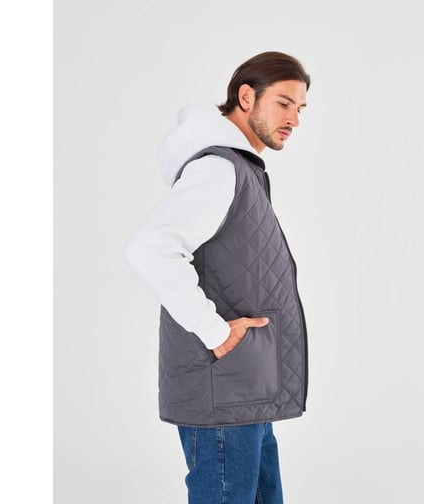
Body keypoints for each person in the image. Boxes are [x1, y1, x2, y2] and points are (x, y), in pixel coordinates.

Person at [125, 51, 310, 504]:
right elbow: (150, 249)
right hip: (225, 385)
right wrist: (216, 333)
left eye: (300, 108)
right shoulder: (219, 169)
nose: (294, 119)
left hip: (245, 384)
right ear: (246, 97)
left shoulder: (242, 169)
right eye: (283, 103)